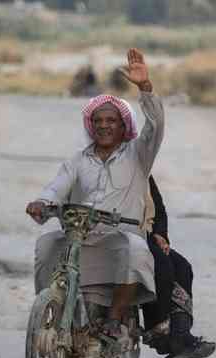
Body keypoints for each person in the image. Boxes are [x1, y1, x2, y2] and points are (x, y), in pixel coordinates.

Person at [26, 48, 163, 338]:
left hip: (119, 237)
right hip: (81, 235)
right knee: (46, 245)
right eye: (98, 121)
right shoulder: (78, 160)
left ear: (123, 125)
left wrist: (146, 89)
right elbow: (57, 186)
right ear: (91, 125)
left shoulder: (138, 154)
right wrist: (42, 202)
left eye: (111, 121)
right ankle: (50, 311)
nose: (104, 126)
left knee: (136, 250)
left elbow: (156, 127)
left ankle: (114, 320)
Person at [142, 175, 216, 358]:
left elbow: (159, 208)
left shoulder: (142, 167)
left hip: (146, 235)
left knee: (182, 267)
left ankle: (180, 335)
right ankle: (158, 331)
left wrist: (160, 233)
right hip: (120, 233)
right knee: (161, 266)